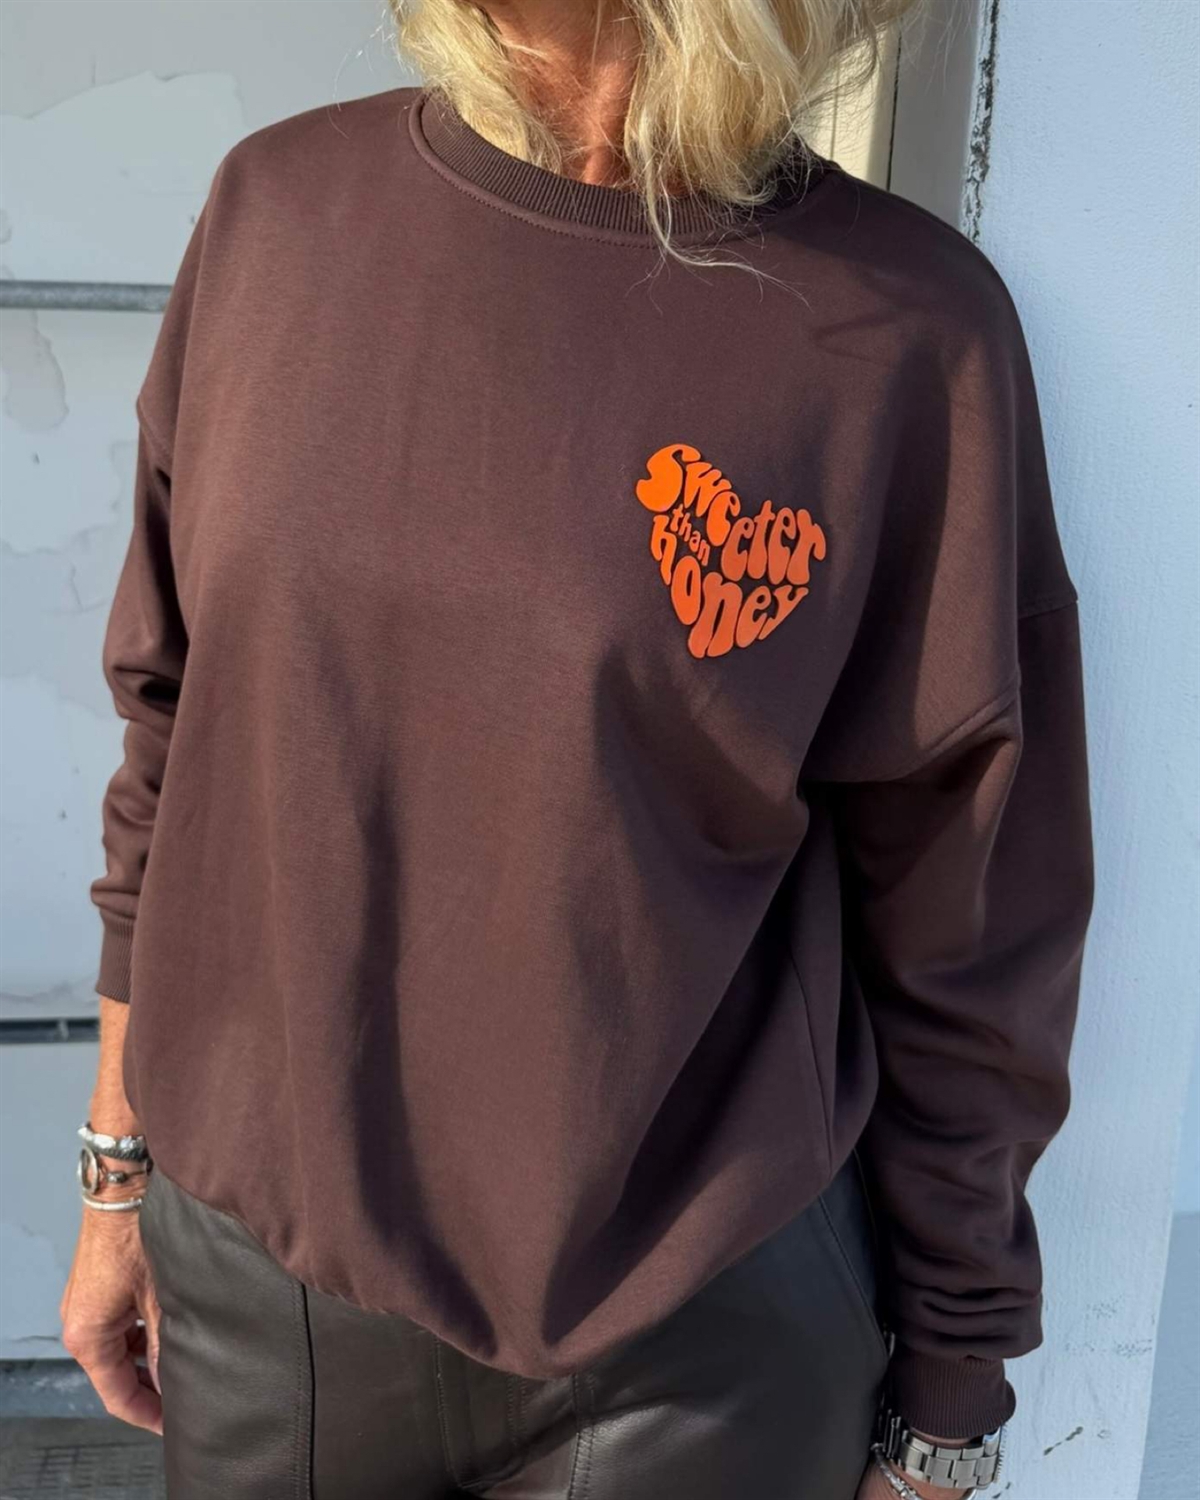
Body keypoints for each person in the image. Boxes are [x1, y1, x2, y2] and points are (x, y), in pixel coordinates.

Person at [58, 2, 1095, 1496]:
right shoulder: (277, 215)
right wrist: (115, 1170)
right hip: (271, 1299)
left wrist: (953, 1393)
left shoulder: (905, 330)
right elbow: (171, 726)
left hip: (701, 1332)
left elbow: (971, 917)